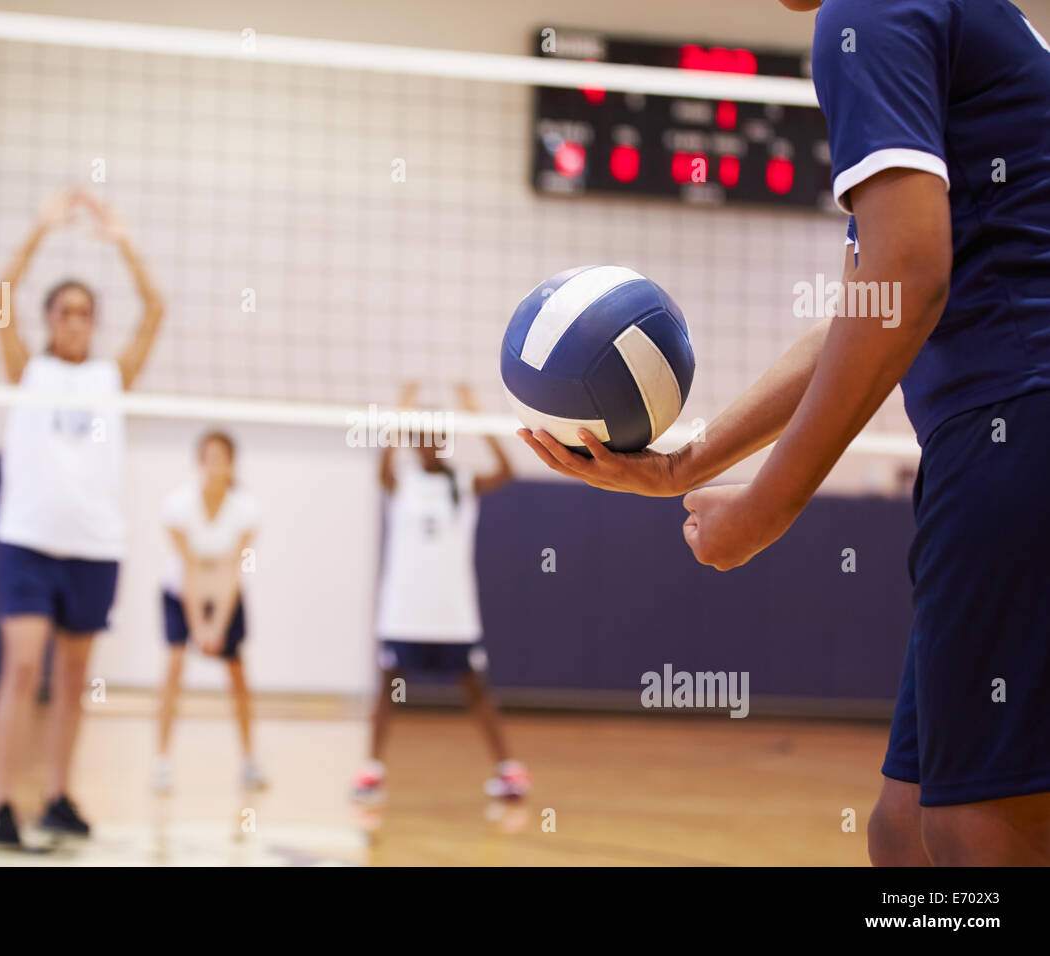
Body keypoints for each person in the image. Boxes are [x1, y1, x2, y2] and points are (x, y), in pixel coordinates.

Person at [522, 0, 1050, 864]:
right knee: (907, 829)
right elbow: (867, 305)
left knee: (977, 830)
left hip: (1017, 419)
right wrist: (687, 462)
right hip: (998, 431)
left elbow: (910, 275)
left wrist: (766, 508)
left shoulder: (870, 10)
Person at [0, 189, 165, 845]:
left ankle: (57, 794)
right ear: (50, 320)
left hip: (94, 547)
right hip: (28, 543)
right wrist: (38, 229)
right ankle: (1, 804)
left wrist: (122, 241)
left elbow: (156, 310)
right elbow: (0, 295)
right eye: (65, 312)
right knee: (24, 668)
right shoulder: (26, 369)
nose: (76, 322)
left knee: (75, 678)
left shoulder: (112, 377)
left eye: (86, 313)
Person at [353, 383, 528, 804]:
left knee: (476, 693)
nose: (429, 443)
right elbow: (382, 470)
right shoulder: (402, 482)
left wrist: (480, 416)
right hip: (403, 615)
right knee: (387, 692)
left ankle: (508, 772)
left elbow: (508, 472)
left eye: (436, 434)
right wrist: (400, 412)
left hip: (453, 616)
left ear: (446, 439)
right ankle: (372, 772)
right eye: (421, 435)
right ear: (413, 441)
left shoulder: (464, 482)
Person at [153, 430, 265, 793]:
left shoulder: (246, 509)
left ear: (232, 464)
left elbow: (234, 569)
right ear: (199, 463)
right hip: (180, 592)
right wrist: (198, 626)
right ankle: (161, 762)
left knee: (238, 676)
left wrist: (217, 625)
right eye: (208, 458)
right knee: (174, 666)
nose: (215, 466)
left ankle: (249, 762)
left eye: (222, 458)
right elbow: (188, 567)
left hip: (225, 595)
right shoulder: (178, 505)